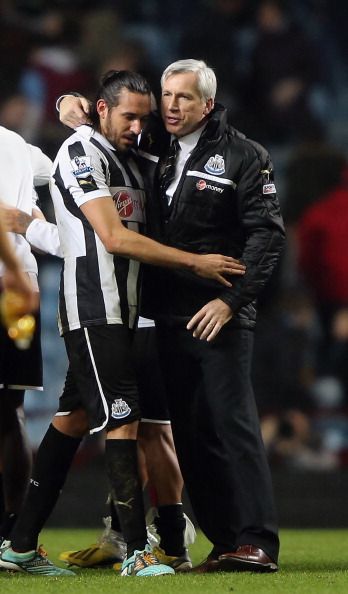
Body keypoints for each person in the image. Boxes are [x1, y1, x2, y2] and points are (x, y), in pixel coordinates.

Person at [0, 69, 245, 578]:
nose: (138, 126)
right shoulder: (80, 154)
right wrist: (195, 263)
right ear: (103, 109)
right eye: (128, 116)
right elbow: (112, 238)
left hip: (131, 312)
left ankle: (19, 545)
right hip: (94, 308)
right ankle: (136, 549)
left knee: (70, 420)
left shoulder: (134, 158)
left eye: (143, 117)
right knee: (124, 418)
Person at [57, 58, 285, 573]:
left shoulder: (243, 155)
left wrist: (232, 301)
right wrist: (67, 104)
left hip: (217, 312)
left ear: (208, 103)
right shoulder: (154, 148)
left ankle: (258, 541)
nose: (172, 106)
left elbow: (268, 236)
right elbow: (103, 115)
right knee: (190, 431)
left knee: (234, 425)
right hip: (166, 315)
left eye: (184, 97)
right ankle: (225, 541)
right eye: (167, 96)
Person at [5, 204, 195, 572]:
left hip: (128, 310)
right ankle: (28, 543)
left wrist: (33, 227)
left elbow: (101, 239)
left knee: (146, 428)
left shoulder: (110, 165)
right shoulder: (105, 161)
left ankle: (157, 542)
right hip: (108, 313)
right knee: (86, 418)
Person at [0, 127, 50, 548]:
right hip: (21, 285)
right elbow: (51, 173)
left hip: (9, 282)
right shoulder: (15, 143)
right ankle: (15, 531)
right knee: (11, 408)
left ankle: (14, 530)